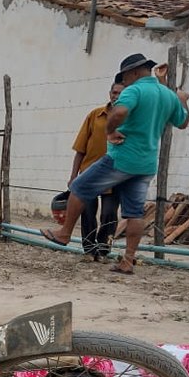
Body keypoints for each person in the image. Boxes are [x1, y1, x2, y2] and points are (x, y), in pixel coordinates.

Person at [43, 53, 189, 275]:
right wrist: (182, 100)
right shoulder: (167, 95)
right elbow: (183, 122)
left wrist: (110, 132)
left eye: (124, 77)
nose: (123, 82)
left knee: (80, 187)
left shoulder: (135, 90)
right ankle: (128, 261)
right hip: (146, 164)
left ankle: (64, 233)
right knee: (134, 213)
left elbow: (119, 111)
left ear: (133, 72)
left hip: (122, 158)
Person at [69, 79, 126, 262]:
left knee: (109, 213)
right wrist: (73, 176)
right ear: (109, 94)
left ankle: (103, 250)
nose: (116, 96)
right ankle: (89, 249)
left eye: (120, 93)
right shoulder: (95, 115)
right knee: (87, 211)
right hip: (89, 173)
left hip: (114, 174)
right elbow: (80, 148)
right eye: (114, 92)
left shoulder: (128, 118)